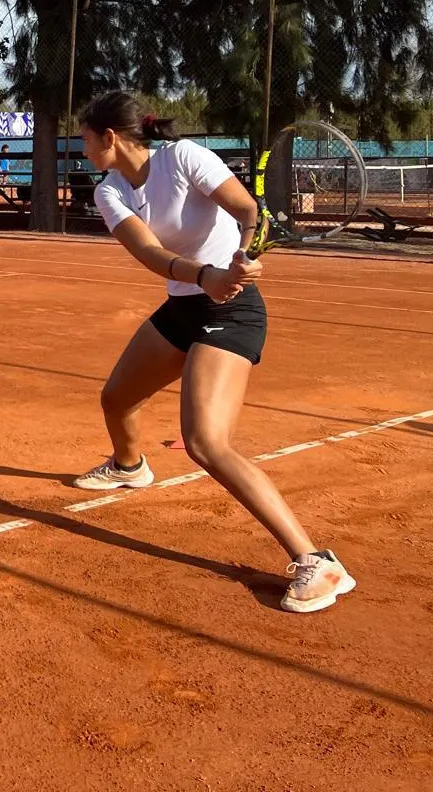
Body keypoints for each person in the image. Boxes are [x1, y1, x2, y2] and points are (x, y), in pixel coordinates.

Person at [73, 90, 355, 613]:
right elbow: (152, 254)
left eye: (86, 139)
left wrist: (243, 255)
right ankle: (130, 465)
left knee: (206, 442)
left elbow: (248, 208)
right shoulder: (110, 191)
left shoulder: (182, 158)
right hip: (186, 307)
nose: (83, 148)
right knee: (116, 399)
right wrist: (206, 275)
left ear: (110, 137)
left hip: (233, 312)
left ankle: (317, 560)